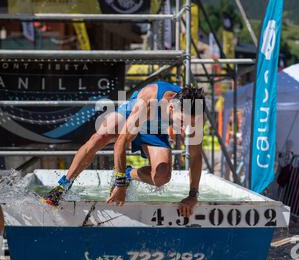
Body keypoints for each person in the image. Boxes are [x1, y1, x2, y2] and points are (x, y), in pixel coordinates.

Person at [43, 81, 205, 217]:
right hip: (133, 115)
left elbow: (196, 156)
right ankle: (62, 186)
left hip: (157, 127)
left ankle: (129, 173)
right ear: (171, 108)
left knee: (162, 177)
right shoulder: (148, 102)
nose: (185, 129)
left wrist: (192, 196)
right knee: (99, 137)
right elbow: (121, 142)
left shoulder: (195, 113)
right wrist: (119, 185)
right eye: (182, 123)